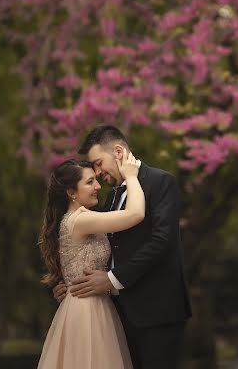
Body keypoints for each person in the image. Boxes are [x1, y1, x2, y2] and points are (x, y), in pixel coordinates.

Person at [54, 125, 192, 369]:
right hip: (118, 314)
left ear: (118, 151)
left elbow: (162, 241)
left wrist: (112, 279)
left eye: (98, 163)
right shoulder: (112, 196)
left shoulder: (161, 183)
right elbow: (107, 248)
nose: (97, 173)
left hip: (158, 313)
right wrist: (74, 281)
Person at [38, 153, 145, 369]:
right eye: (89, 182)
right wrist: (132, 177)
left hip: (93, 304)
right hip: (86, 309)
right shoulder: (80, 220)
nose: (98, 186)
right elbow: (135, 214)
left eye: (96, 179)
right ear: (71, 193)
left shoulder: (82, 218)